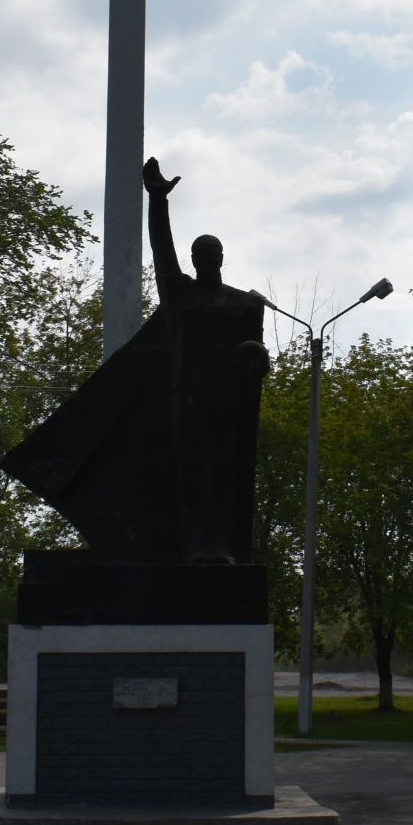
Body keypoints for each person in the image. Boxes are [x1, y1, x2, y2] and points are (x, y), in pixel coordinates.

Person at [142, 157, 269, 563]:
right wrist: (157, 201)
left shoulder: (243, 304)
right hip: (190, 399)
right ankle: (196, 544)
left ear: (221, 257)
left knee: (224, 472)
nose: (206, 259)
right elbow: (162, 252)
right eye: (200, 254)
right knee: (193, 473)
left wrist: (256, 356)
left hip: (227, 401)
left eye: (212, 253)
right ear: (194, 260)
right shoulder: (181, 295)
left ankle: (220, 544)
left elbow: (256, 357)